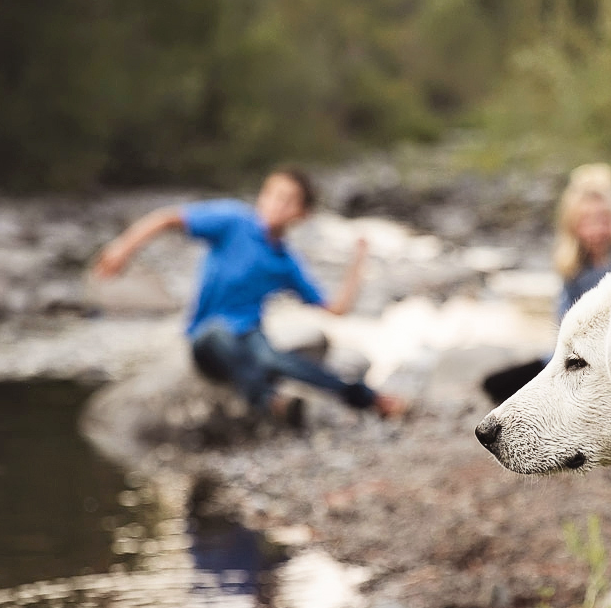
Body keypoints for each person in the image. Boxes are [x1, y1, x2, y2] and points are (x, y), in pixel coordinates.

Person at [93, 167, 405, 425]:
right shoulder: (233, 221)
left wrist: (359, 262)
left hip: (250, 335)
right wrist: (122, 249)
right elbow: (168, 219)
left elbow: (335, 309)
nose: (274, 204)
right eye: (270, 194)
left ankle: (367, 398)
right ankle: (268, 401)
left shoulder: (284, 263)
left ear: (302, 214)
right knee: (222, 337)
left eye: (286, 200)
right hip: (208, 338)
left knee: (277, 358)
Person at [483, 163, 611, 405]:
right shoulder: (571, 264)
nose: (595, 229)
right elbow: (563, 321)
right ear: (573, 224)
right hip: (575, 356)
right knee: (495, 385)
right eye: (586, 221)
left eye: (602, 219)